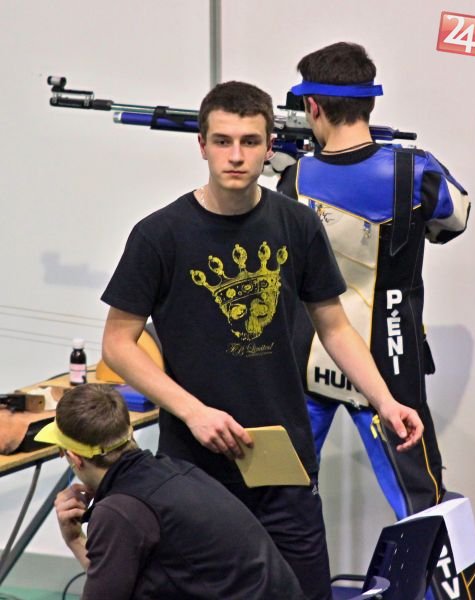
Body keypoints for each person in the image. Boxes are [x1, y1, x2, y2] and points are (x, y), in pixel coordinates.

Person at [100, 80, 424, 600]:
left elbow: (335, 327)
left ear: (269, 145)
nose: (236, 156)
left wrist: (385, 401)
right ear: (201, 145)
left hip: (282, 461)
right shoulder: (159, 235)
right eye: (223, 141)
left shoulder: (297, 224)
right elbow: (118, 344)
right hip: (194, 466)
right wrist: (193, 412)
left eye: (250, 141)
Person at [277, 41, 475, 600]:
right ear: (369, 102)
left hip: (308, 359)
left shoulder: (293, 180)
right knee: (426, 508)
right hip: (389, 362)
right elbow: (453, 220)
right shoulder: (415, 171)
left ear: (312, 107)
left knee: (281, 497)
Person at [35, 384, 307, 599]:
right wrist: (75, 539)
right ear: (129, 433)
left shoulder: (120, 511)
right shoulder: (175, 471)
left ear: (74, 458)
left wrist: (74, 538)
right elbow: (111, 581)